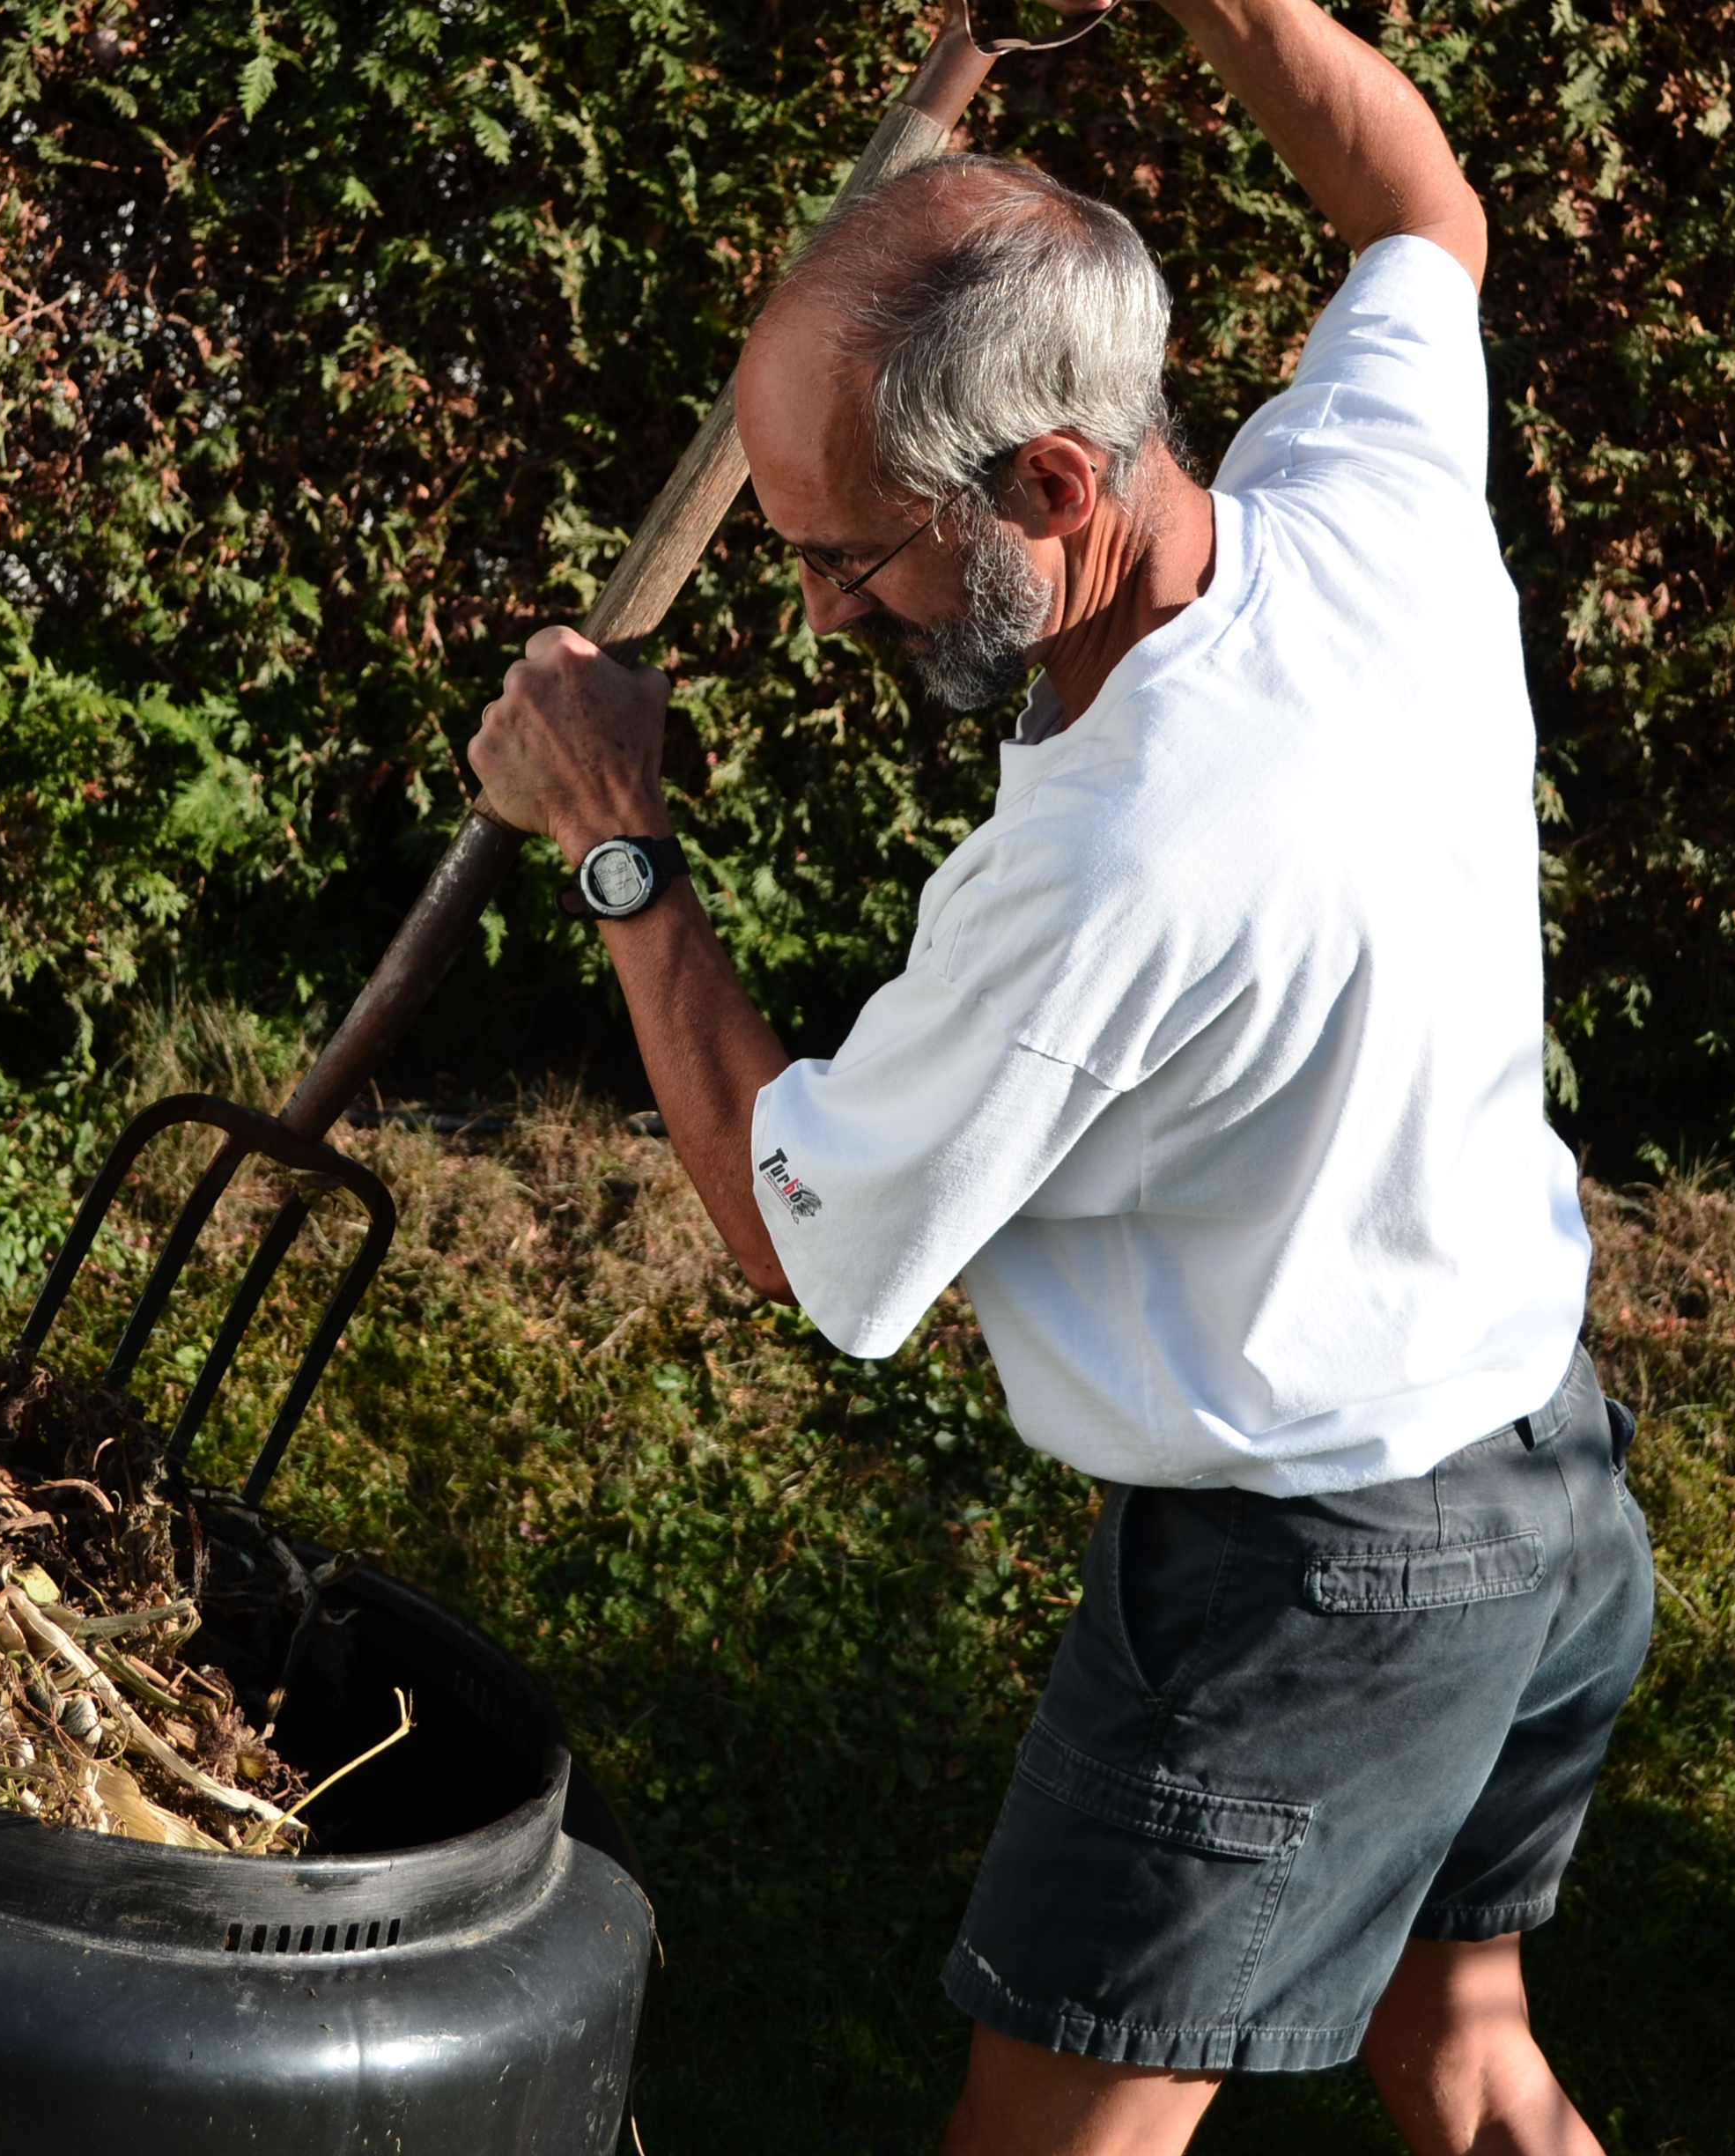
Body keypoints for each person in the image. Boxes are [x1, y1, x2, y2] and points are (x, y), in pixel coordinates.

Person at [466, 1, 1653, 2148]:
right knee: (1473, 2064)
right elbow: (1418, 204)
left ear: (1053, 480)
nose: (821, 616)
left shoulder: (1112, 865)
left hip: (1314, 1582)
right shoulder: (1367, 502)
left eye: (848, 555)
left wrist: (615, 844)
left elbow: (800, 1235)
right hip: (1537, 1480)